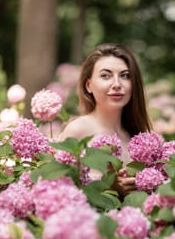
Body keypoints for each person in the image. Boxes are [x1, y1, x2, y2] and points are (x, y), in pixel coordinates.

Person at [59, 43, 152, 195]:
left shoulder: (137, 137)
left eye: (125, 76)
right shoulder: (78, 130)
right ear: (88, 85)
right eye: (105, 76)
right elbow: (56, 189)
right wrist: (109, 187)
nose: (117, 84)